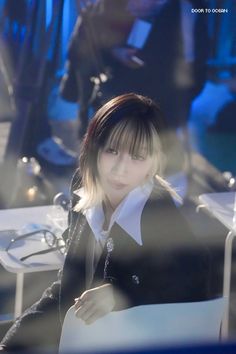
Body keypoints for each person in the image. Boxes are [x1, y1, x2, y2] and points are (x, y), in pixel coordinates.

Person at [0, 93, 211, 352]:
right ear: (93, 147)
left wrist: (122, 293)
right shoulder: (84, 186)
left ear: (155, 163)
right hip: (86, 337)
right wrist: (12, 344)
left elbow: (194, 289)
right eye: (111, 150)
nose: (120, 169)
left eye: (138, 157)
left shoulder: (160, 214)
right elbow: (67, 285)